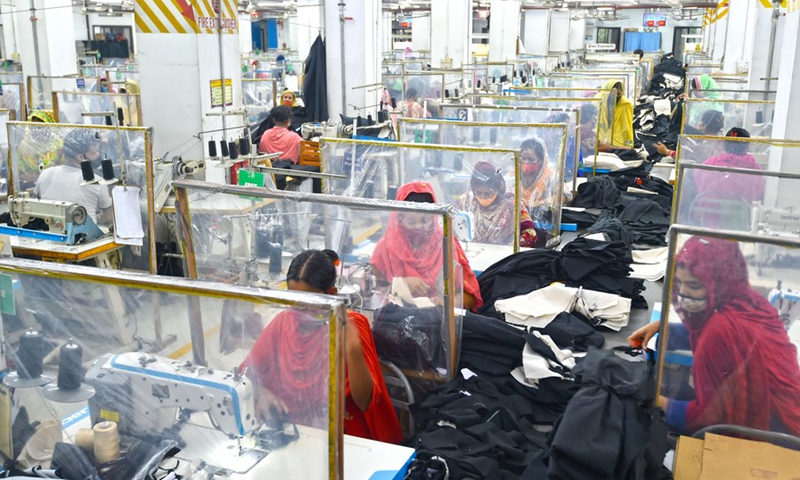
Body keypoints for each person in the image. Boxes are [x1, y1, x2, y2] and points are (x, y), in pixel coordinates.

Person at [627, 237, 800, 436]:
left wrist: (655, 399)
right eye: (680, 282)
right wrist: (664, 329)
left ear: (718, 283)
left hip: (769, 435)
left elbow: (704, 418)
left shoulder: (720, 329)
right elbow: (722, 339)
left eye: (694, 285)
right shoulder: (751, 303)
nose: (682, 292)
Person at [241, 250, 404, 444]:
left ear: (332, 294)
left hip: (343, 434)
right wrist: (262, 392)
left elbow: (364, 402)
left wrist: (353, 349)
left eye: (310, 302)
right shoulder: (285, 322)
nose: (300, 309)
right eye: (294, 300)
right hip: (295, 429)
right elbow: (247, 372)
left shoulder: (351, 325)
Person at [371, 182, 483, 312]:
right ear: (399, 218)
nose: (418, 227)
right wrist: (401, 284)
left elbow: (469, 297)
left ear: (433, 218)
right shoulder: (385, 248)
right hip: (395, 319)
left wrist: (448, 302)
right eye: (411, 221)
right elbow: (373, 293)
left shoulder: (446, 245)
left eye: (424, 221)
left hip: (439, 321)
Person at [455, 161, 539, 248]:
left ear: (498, 189)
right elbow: (450, 227)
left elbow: (530, 233)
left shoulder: (511, 206)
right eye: (479, 193)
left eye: (488, 194)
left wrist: (511, 248)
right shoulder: (466, 201)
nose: (483, 197)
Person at [34, 130, 111, 224]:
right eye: (95, 152)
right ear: (80, 157)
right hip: (85, 236)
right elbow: (108, 216)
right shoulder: (97, 181)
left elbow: (36, 204)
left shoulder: (46, 173)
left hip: (51, 231)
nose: (98, 155)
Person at [520, 138, 572, 217]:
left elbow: (566, 195)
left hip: (541, 220)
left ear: (541, 160)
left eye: (531, 159)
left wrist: (540, 203)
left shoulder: (550, 177)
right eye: (523, 158)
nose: (526, 162)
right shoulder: (514, 174)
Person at [654, 110, 726, 159]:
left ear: (705, 125)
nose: (700, 124)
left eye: (702, 121)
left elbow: (683, 158)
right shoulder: (721, 141)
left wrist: (666, 151)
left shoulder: (706, 144)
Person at [596, 80, 634, 149]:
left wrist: (628, 145)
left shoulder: (625, 104)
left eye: (619, 93)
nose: (618, 93)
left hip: (617, 142)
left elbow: (626, 127)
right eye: (614, 93)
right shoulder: (598, 101)